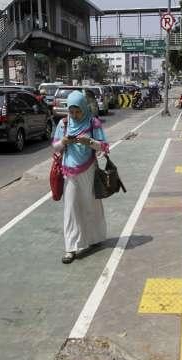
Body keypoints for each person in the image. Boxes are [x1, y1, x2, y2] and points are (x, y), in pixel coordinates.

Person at [52, 91, 110, 264]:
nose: (75, 115)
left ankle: (95, 237)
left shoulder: (93, 123)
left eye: (78, 111)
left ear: (84, 108)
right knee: (70, 209)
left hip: (89, 170)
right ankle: (71, 248)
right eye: (72, 111)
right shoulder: (63, 124)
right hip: (69, 171)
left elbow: (104, 147)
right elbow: (55, 147)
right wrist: (64, 142)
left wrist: (89, 142)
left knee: (91, 205)